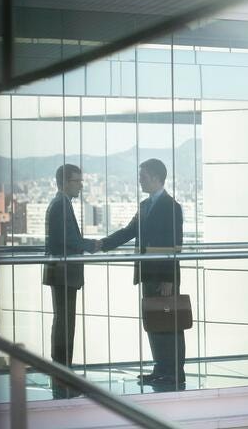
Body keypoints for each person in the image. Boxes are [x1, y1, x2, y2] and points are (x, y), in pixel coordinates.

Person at [101, 158, 185, 391]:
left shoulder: (171, 206)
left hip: (164, 276)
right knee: (153, 323)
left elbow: (175, 243)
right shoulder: (144, 206)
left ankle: (174, 373)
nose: (140, 181)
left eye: (143, 177)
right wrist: (102, 244)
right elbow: (129, 231)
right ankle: (161, 370)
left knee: (169, 324)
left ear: (157, 178)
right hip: (147, 273)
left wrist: (169, 278)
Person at [43, 164, 100, 398]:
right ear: (66, 182)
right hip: (63, 271)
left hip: (62, 271)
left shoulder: (61, 204)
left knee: (64, 321)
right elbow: (68, 240)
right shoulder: (61, 205)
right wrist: (93, 245)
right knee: (65, 322)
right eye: (77, 181)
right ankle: (62, 370)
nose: (81, 185)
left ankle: (63, 368)